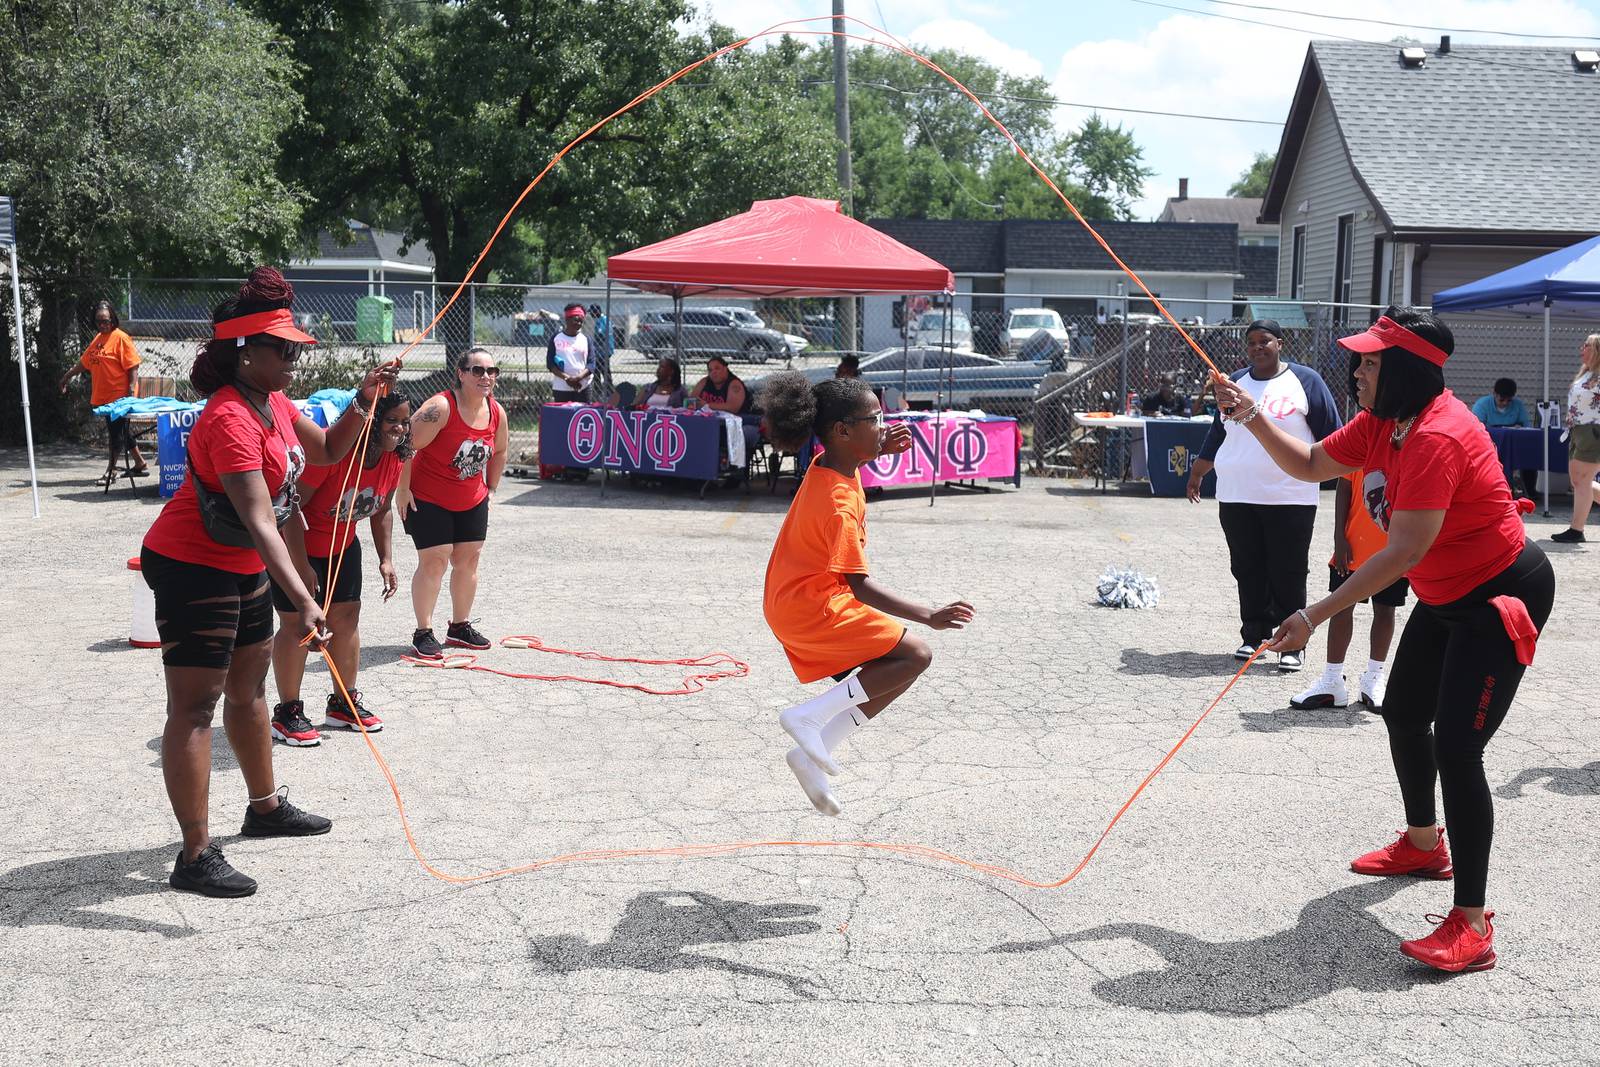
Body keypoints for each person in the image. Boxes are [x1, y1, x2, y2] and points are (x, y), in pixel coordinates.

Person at [1213, 305, 1555, 973]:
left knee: (1458, 747)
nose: (1358, 370)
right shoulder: (1386, 423)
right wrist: (1252, 417)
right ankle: (1426, 843)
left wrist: (1312, 613)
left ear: (1403, 370)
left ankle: (1472, 922)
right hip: (1448, 590)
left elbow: (1400, 552)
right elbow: (1311, 462)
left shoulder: (1436, 437)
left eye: (1370, 361)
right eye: (1361, 359)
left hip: (1498, 595)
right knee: (1402, 710)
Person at [139, 267, 399, 897]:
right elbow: (260, 520)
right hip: (191, 565)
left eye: (294, 348)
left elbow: (332, 451)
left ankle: (263, 808)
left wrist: (364, 401)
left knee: (250, 693)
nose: (292, 359)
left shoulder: (274, 402)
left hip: (242, 565)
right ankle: (195, 853)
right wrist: (307, 597)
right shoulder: (230, 417)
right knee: (197, 706)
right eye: (281, 349)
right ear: (243, 353)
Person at [759, 372, 974, 816]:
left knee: (893, 670)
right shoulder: (838, 503)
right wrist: (928, 614)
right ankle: (807, 718)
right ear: (842, 430)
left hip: (792, 601)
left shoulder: (830, 464)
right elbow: (859, 584)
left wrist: (873, 448)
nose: (886, 425)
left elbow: (847, 463)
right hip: (813, 607)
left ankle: (811, 751)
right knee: (916, 654)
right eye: (875, 419)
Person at [1187, 319, 1342, 671]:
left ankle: (1291, 645)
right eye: (1252, 342)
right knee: (1247, 567)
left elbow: (1333, 434)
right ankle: (1253, 634)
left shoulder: (1305, 382)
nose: (1258, 347)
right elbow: (1218, 431)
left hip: (1291, 493)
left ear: (1280, 344)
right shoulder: (1234, 384)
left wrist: (1341, 475)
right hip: (1237, 493)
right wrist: (1198, 471)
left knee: (1287, 569)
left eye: (1265, 341)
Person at [268, 394, 411, 746]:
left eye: (405, 422)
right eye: (392, 420)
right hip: (295, 547)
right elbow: (289, 508)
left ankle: (343, 703)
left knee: (346, 619)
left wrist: (386, 558)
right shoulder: (334, 455)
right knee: (297, 626)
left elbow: (381, 509)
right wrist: (301, 567)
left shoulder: (393, 458)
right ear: (372, 422)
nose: (400, 428)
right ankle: (287, 712)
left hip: (342, 546)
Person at [1291, 354, 1407, 712]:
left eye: (1370, 367)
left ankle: (1374, 676)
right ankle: (1332, 678)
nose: (1360, 375)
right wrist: (1340, 538)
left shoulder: (1410, 434)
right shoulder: (1362, 428)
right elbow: (1343, 486)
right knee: (1341, 608)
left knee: (1385, 611)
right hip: (1354, 543)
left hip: (1391, 546)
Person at [398, 347, 508, 660]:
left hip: (471, 497)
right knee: (435, 560)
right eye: (477, 370)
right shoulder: (440, 407)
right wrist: (402, 490)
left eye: (491, 371)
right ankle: (423, 631)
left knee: (468, 559)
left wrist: (491, 487)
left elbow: (499, 451)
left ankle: (459, 627)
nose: (485, 377)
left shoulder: (496, 412)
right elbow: (405, 443)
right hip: (429, 496)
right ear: (460, 374)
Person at [59, 300, 149, 484]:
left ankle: (111, 472)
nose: (103, 324)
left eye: (106, 321)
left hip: (119, 395)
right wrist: (66, 377)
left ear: (113, 319)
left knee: (115, 433)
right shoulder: (98, 339)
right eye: (99, 321)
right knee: (120, 430)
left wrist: (131, 391)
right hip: (103, 395)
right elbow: (84, 363)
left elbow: (133, 366)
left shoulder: (121, 337)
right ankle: (140, 463)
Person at [1552, 334, 1600, 543]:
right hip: (1578, 430)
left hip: (1593, 430)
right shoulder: (1587, 374)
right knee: (1579, 481)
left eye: (1587, 345)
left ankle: (1576, 529)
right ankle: (1576, 528)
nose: (1582, 348)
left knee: (1581, 480)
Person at [1469, 378, 1537, 500]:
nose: (1505, 403)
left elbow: (1526, 425)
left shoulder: (1518, 405)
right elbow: (1475, 427)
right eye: (1502, 399)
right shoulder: (1482, 404)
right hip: (1489, 445)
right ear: (1494, 394)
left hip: (1514, 446)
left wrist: (1519, 427)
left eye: (1509, 400)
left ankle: (1530, 490)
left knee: (1530, 454)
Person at [547, 303, 593, 403]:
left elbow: (591, 364)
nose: (579, 324)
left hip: (582, 387)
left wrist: (578, 378)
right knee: (562, 417)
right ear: (567, 319)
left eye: (581, 321)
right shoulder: (556, 338)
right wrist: (567, 378)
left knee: (582, 417)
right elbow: (550, 364)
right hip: (561, 388)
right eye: (576, 320)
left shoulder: (586, 339)